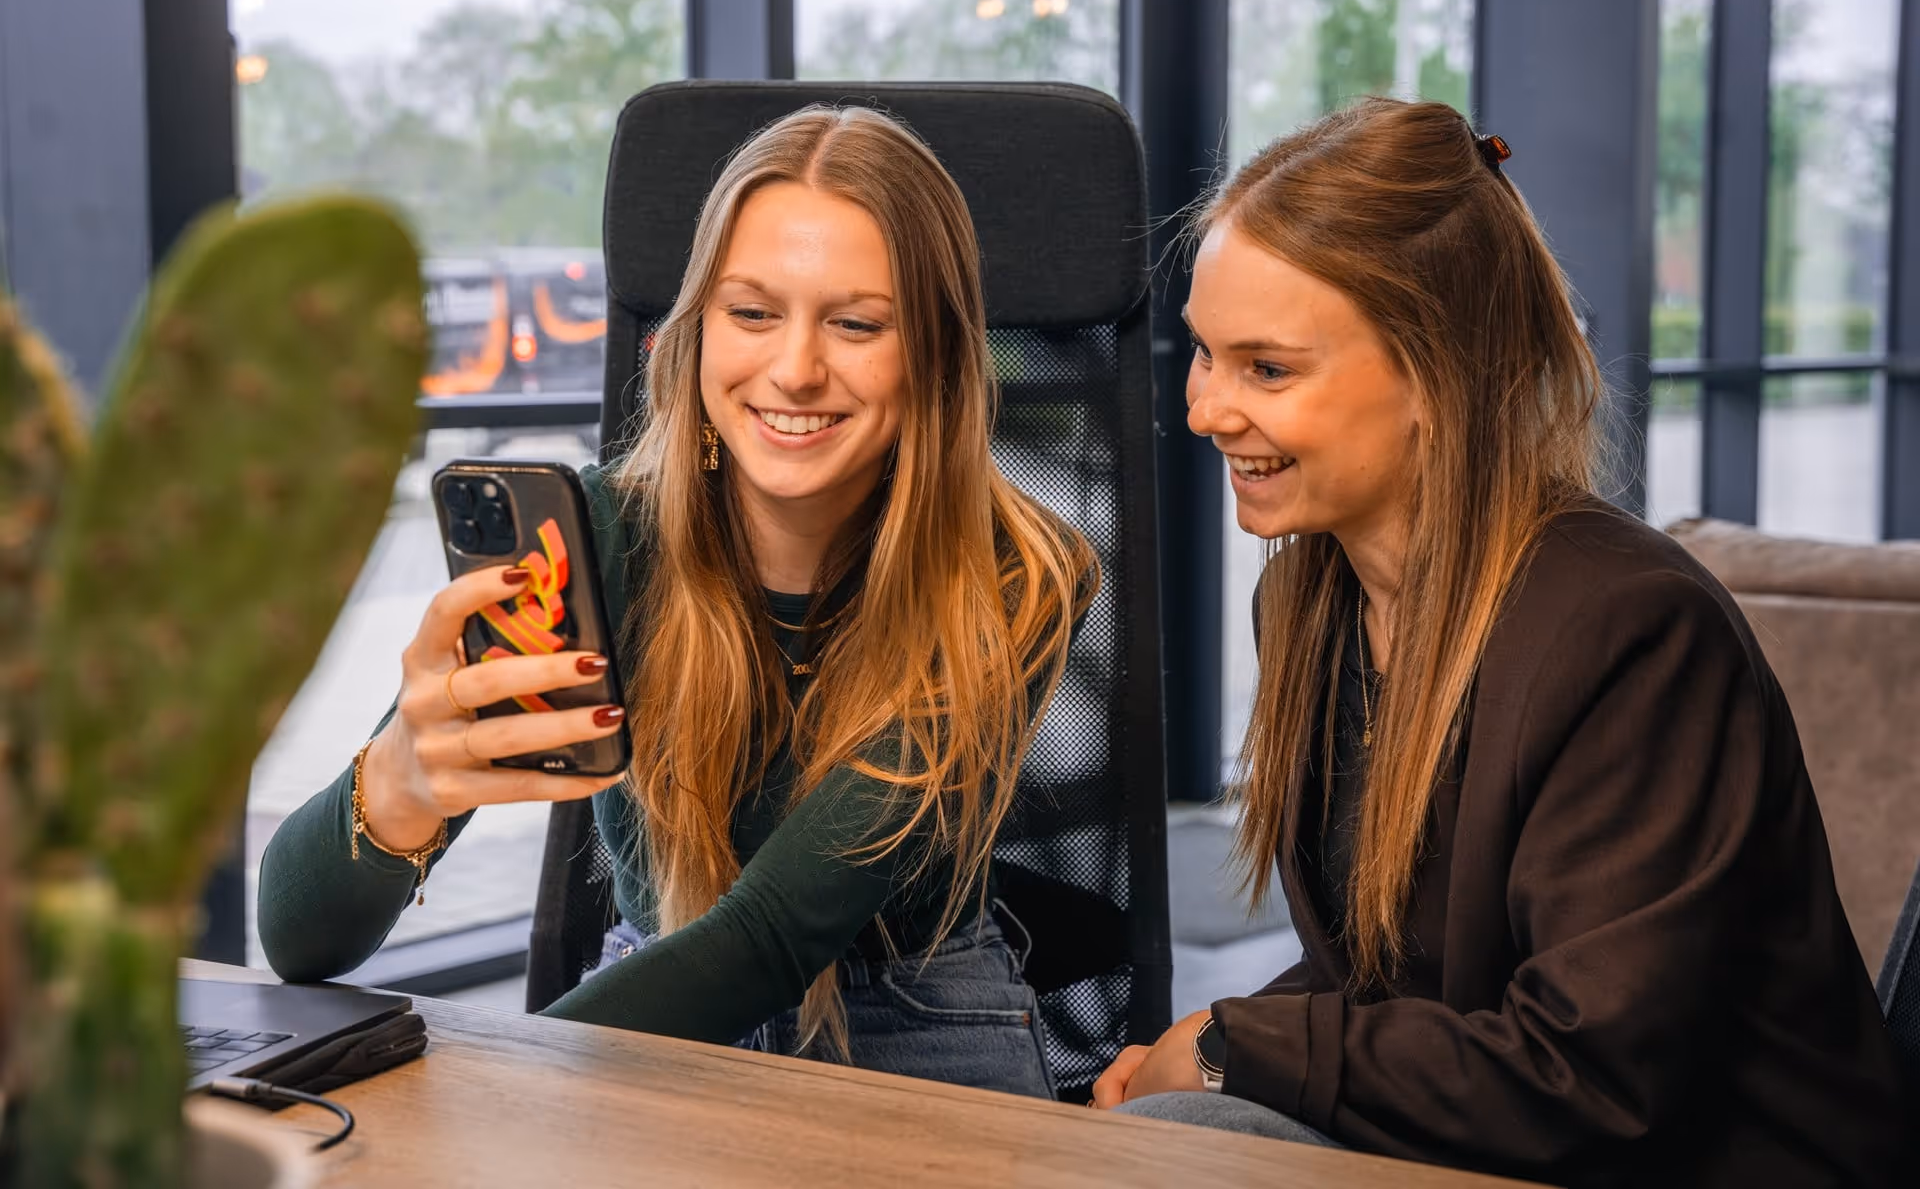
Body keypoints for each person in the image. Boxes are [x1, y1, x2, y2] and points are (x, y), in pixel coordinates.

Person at [1093, 98, 1909, 1186]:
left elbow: (1593, 1073)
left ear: (1436, 371)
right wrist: (1205, 1049)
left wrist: (1234, 1047)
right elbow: (1401, 986)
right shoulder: (1308, 601)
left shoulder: (1633, 632)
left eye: (1268, 369)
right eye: (1205, 354)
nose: (1205, 410)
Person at [258, 105, 1095, 1098]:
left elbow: (768, 937)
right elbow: (300, 944)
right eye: (751, 312)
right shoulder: (598, 539)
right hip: (646, 1003)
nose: (793, 368)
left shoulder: (1014, 574)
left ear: (936, 357)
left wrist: (501, 1113)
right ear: (692, 336)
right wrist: (401, 778)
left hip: (916, 1022)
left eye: (856, 323)